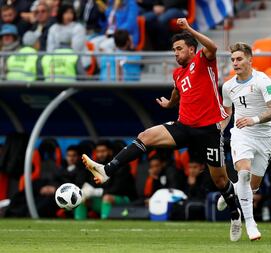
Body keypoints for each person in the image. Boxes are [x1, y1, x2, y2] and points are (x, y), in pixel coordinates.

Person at [82, 18, 241, 241]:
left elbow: (213, 47)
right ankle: (107, 170)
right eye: (173, 50)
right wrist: (170, 103)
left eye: (179, 49)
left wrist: (188, 29)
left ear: (191, 49)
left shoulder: (203, 61)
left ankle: (235, 214)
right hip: (183, 126)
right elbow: (177, 90)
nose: (175, 54)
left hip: (208, 129)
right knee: (145, 136)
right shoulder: (178, 74)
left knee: (221, 181)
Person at [217, 42, 271, 240]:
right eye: (233, 60)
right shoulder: (228, 87)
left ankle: (230, 191)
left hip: (263, 137)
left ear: (250, 59)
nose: (235, 63)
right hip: (241, 133)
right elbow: (227, 112)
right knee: (243, 173)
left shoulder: (263, 80)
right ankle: (250, 223)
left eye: (239, 59)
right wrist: (218, 130)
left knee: (252, 186)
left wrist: (253, 119)